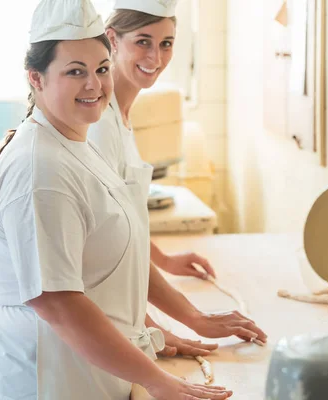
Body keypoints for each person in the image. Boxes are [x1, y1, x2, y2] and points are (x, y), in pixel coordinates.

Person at [0, 1, 235, 399]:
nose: (94, 84)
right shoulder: (40, 170)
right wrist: (157, 379)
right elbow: (60, 304)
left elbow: (112, 255)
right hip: (35, 383)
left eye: (102, 69)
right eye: (75, 71)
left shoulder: (75, 143)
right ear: (35, 78)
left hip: (84, 377)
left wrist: (152, 336)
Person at [87, 0, 267, 358]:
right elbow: (99, 250)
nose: (155, 56)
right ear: (112, 39)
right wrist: (181, 321)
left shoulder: (121, 115)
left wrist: (164, 260)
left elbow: (122, 223)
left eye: (166, 43)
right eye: (143, 41)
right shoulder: (98, 126)